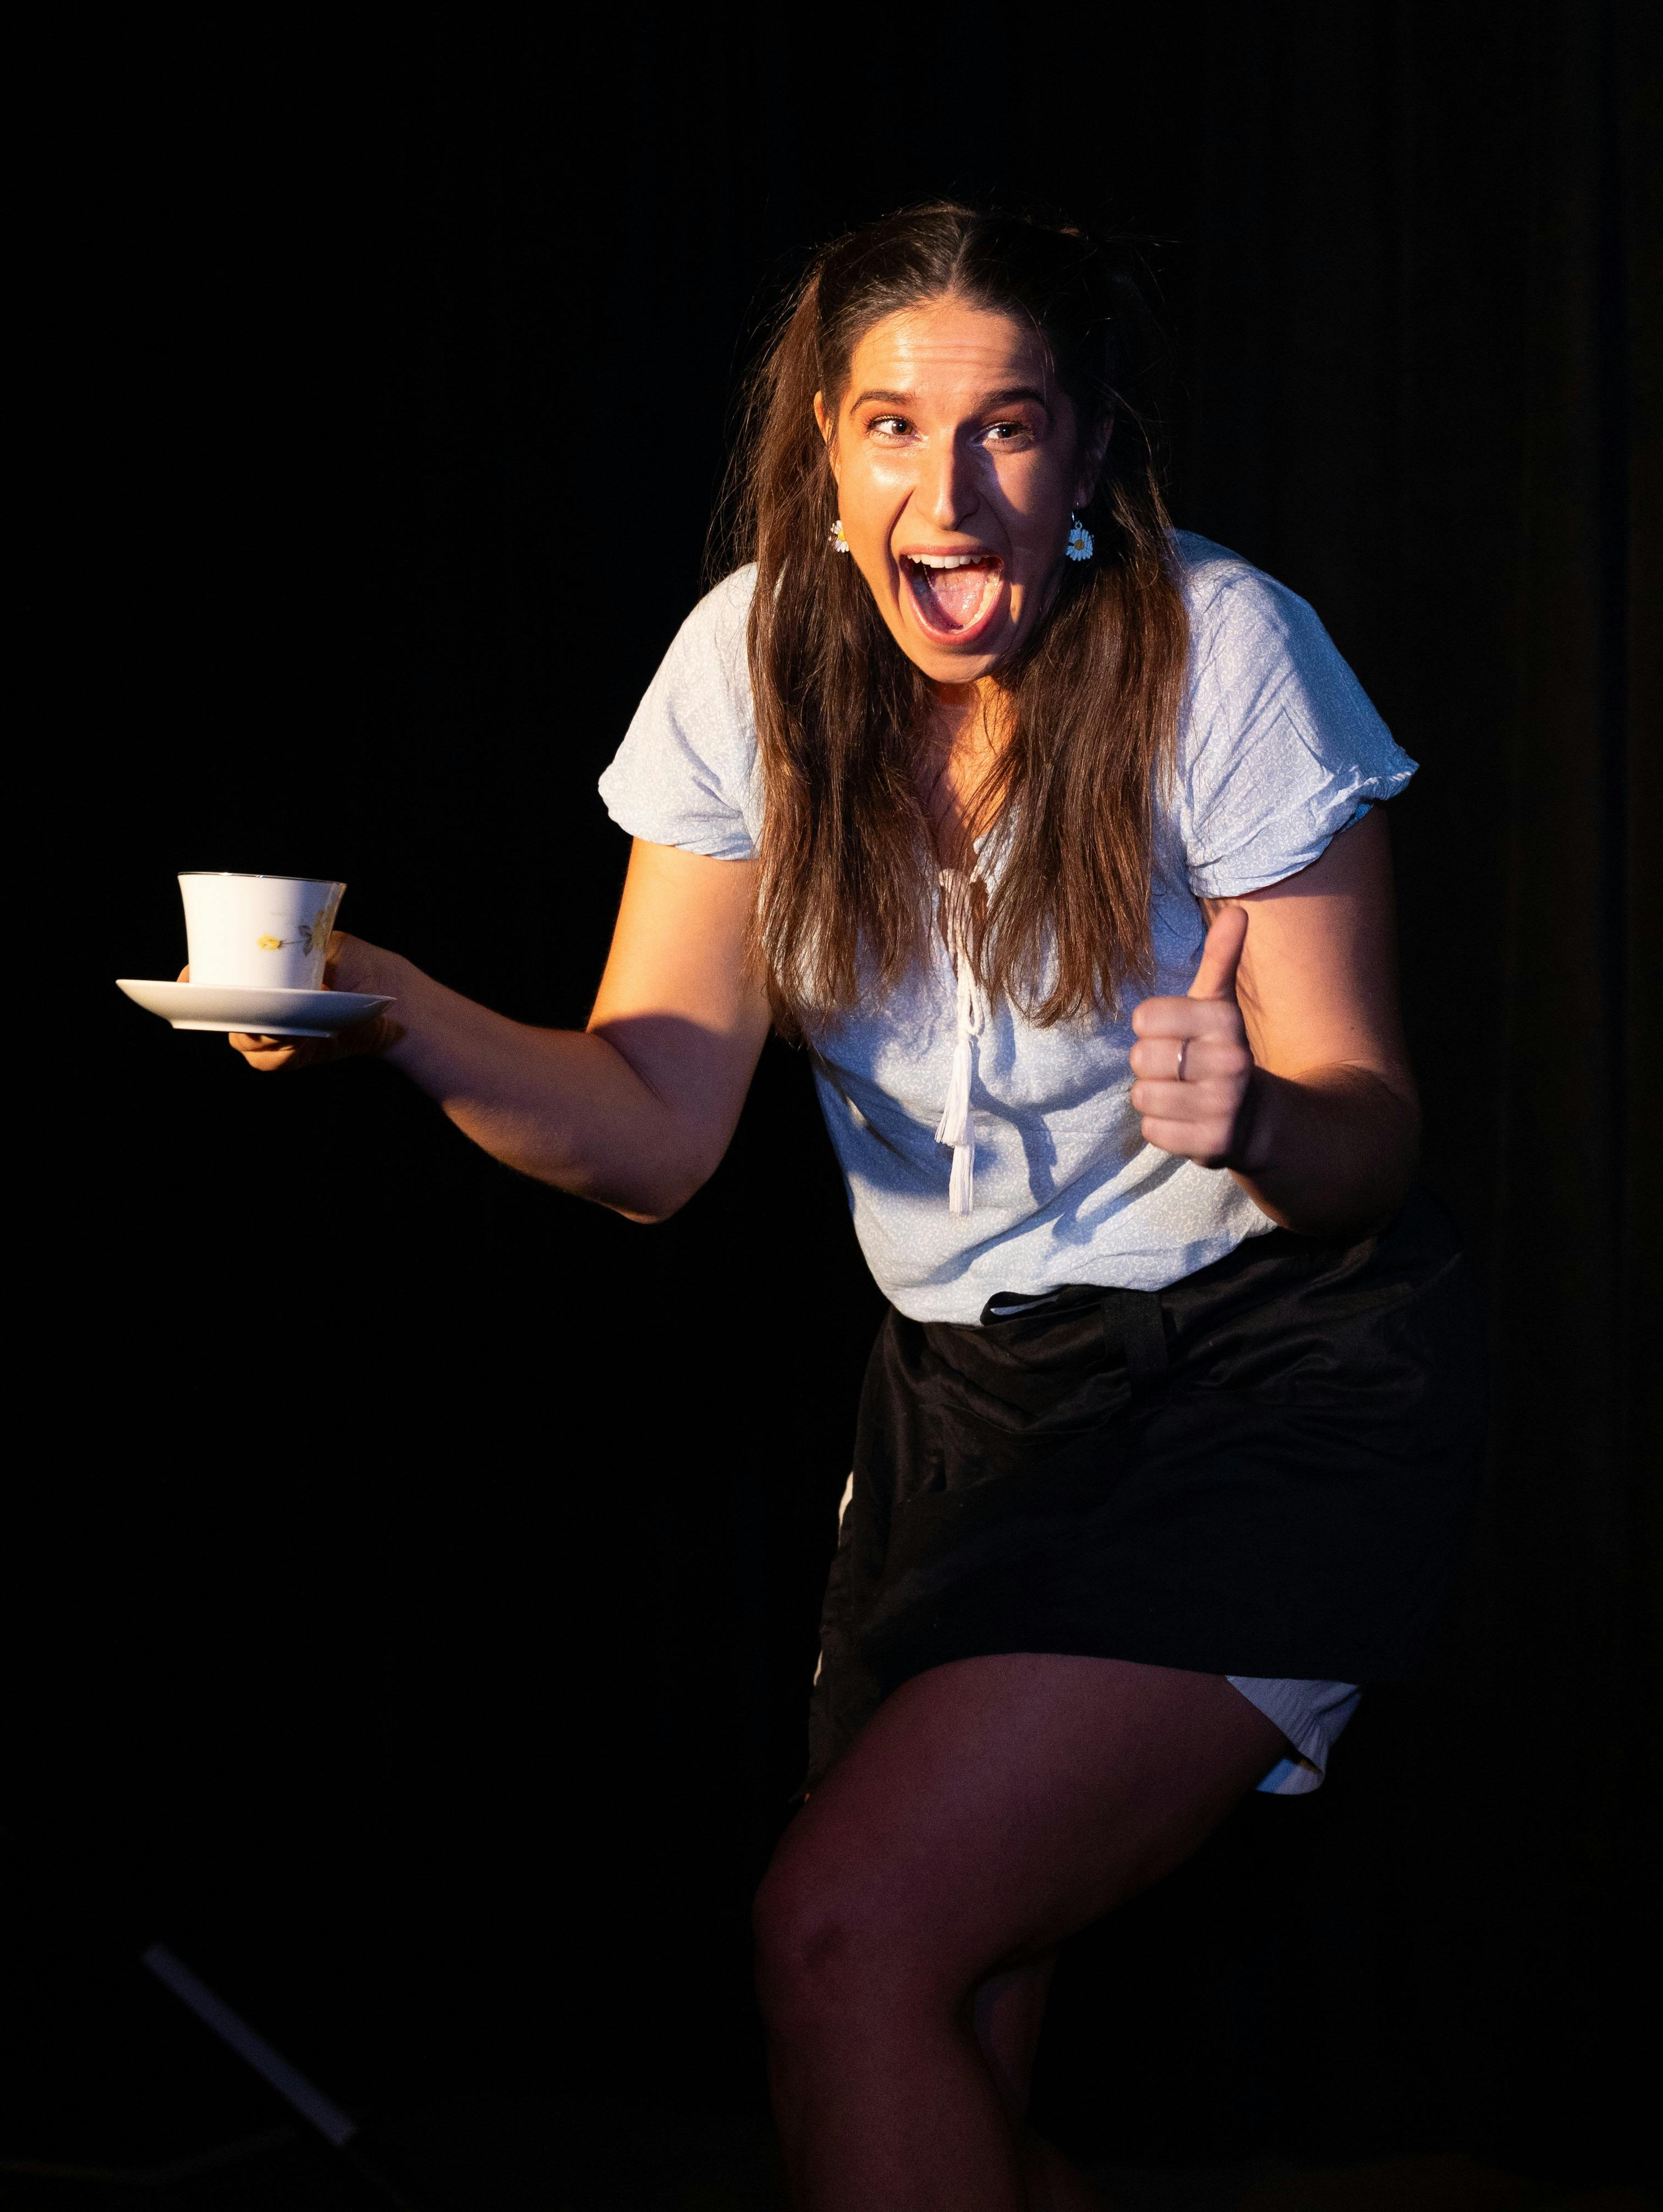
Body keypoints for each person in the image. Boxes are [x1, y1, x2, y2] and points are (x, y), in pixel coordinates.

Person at [226, 204, 1484, 2211]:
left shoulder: (1221, 648)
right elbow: (651, 1132)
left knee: (846, 1945)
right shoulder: (747, 665)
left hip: (1256, 1391)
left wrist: (1252, 1116)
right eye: (893, 427)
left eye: (1006, 428)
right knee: (922, 2044)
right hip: (971, 1422)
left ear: (1085, 459)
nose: (949, 487)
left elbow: (1373, 1136)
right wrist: (384, 1004)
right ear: (826, 449)